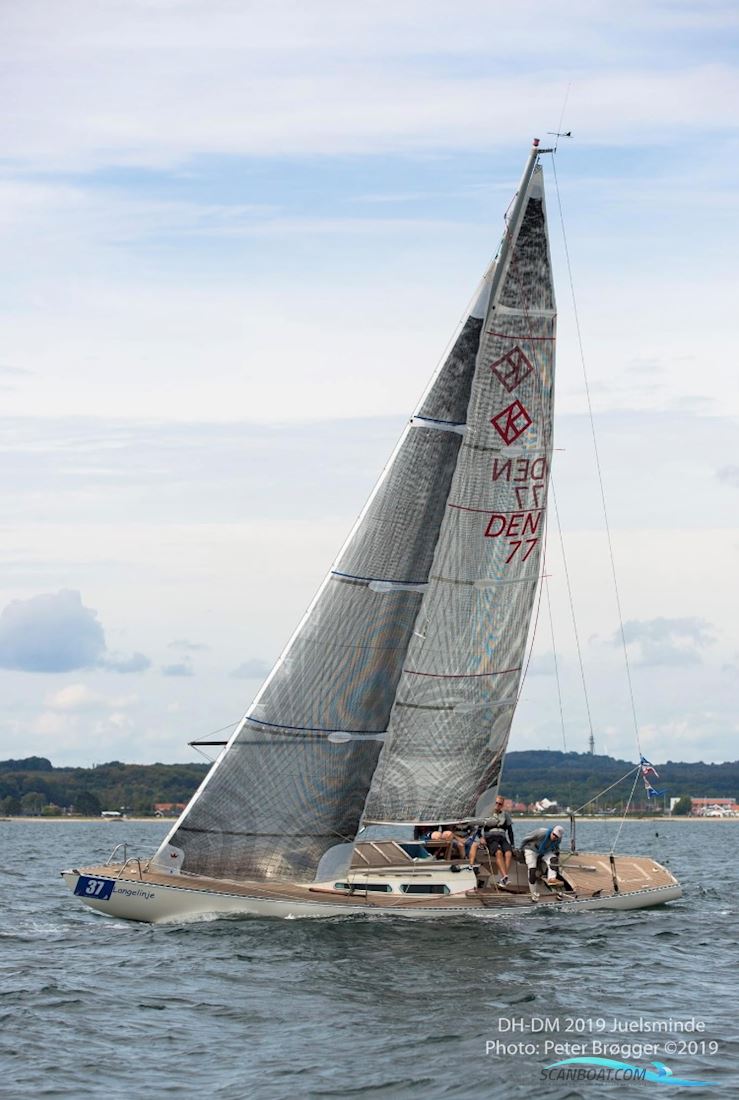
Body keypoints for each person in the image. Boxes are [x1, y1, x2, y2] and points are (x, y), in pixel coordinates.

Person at [468, 796, 515, 885]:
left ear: (502, 805)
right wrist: (481, 838)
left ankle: (504, 878)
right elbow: (478, 830)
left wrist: (512, 844)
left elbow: (510, 831)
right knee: (499, 852)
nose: (497, 805)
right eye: (496, 803)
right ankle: (505, 877)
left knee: (509, 853)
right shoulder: (487, 814)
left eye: (500, 804)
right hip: (490, 838)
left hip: (502, 837)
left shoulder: (505, 815)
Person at [520, 824, 565, 899]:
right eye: (554, 835)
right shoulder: (541, 832)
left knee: (553, 859)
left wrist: (557, 854)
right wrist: (521, 849)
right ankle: (533, 893)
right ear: (552, 832)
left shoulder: (558, 839)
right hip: (531, 849)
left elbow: (556, 847)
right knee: (532, 870)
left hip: (545, 851)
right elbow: (526, 838)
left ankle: (552, 878)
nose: (554, 837)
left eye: (557, 837)